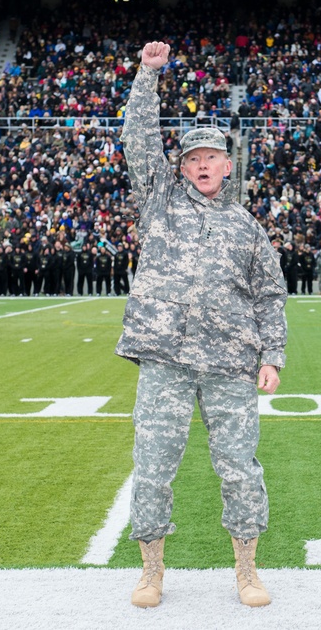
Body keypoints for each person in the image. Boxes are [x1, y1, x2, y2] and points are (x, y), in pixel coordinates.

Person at [117, 41, 287, 609]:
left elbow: (269, 294)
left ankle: (246, 570)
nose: (204, 165)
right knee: (153, 468)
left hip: (230, 365)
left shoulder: (247, 226)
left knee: (239, 469)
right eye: (193, 159)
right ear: (181, 167)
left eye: (212, 156)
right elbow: (139, 138)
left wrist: (272, 355)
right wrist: (148, 76)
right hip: (164, 358)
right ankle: (150, 572)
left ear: (227, 163)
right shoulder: (159, 200)